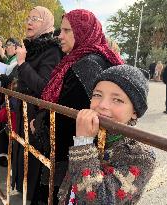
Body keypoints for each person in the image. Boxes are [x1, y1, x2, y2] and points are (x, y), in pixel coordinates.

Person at [32, 9, 124, 204]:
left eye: (67, 31)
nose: (59, 36)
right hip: (83, 155)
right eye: (60, 30)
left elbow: (66, 116)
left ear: (83, 32)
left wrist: (39, 124)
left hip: (70, 158)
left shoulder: (85, 64)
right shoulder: (89, 58)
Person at [58, 65, 156, 205]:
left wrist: (83, 143)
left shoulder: (141, 157)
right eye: (97, 95)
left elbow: (99, 199)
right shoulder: (93, 131)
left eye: (117, 100)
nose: (102, 105)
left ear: (135, 111)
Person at [11, 6, 63, 203]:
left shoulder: (52, 51)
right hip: (24, 113)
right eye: (29, 18)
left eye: (36, 19)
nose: (29, 22)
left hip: (36, 118)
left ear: (47, 23)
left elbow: (44, 88)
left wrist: (23, 64)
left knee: (33, 163)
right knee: (23, 157)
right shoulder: (30, 47)